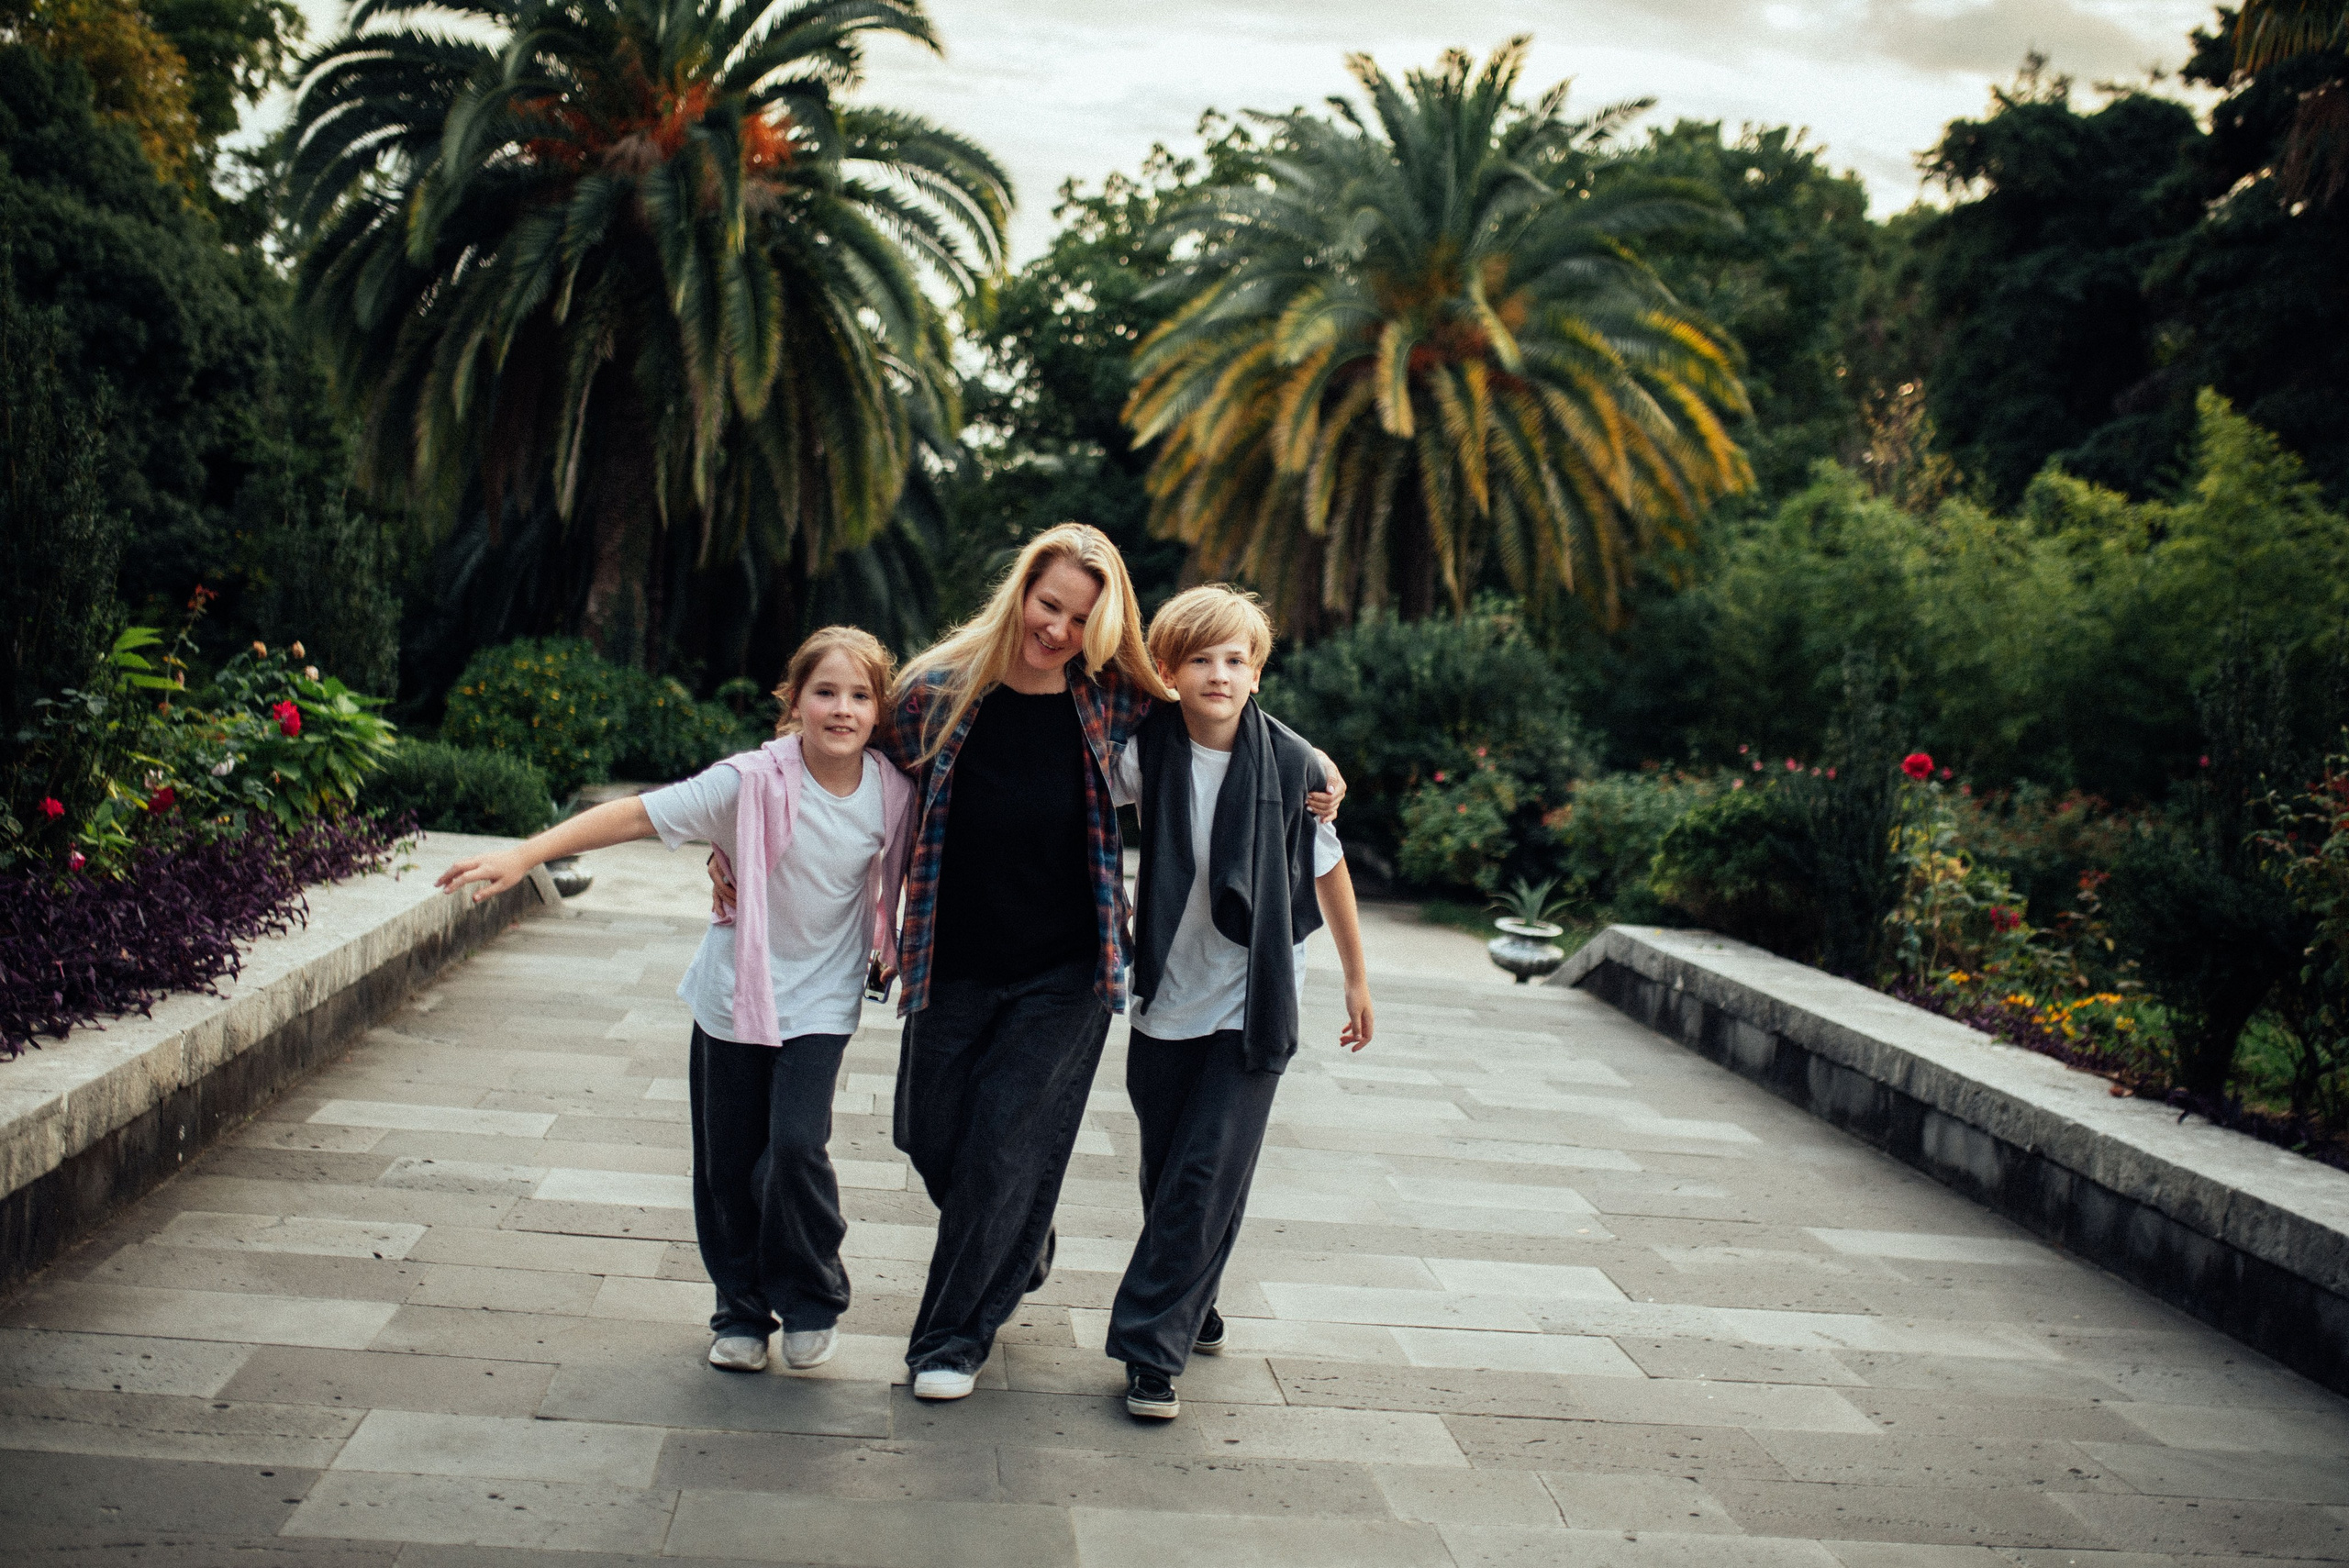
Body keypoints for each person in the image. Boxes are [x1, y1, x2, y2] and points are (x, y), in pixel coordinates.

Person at [438, 626, 913, 1377]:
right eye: (825, 691)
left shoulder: (893, 792)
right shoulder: (748, 782)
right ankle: (741, 1312)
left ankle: (813, 1293)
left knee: (793, 1147)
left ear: (881, 709)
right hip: (734, 996)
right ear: (793, 702)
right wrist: (527, 853)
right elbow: (638, 814)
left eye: (860, 695)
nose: (842, 709)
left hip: (821, 1002)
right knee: (728, 1164)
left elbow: (941, 859)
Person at [1105, 584, 1374, 1420]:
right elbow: (1075, 811)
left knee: (1204, 1168)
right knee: (1170, 1169)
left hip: (1251, 1001)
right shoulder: (1142, 750)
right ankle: (1196, 1292)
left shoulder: (1295, 767)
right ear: (1168, 671)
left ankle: (1152, 1350)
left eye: (1235, 660)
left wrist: (1358, 979)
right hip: (1164, 995)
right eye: (1200, 660)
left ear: (1256, 675)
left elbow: (1328, 870)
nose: (1219, 674)